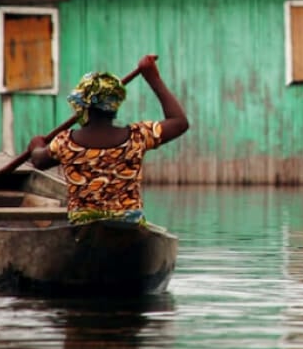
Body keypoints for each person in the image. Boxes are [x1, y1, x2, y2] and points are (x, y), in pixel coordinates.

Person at [29, 54, 189, 225]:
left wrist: (36, 144)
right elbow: (179, 122)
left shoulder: (65, 142)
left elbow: (38, 160)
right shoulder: (138, 137)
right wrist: (153, 79)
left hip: (83, 225)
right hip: (129, 225)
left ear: (83, 107)